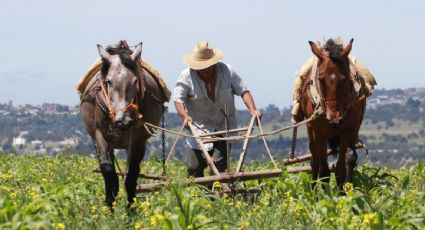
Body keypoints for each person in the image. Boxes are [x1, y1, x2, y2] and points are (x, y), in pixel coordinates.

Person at [173, 41, 261, 178]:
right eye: (202, 67)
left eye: (208, 66)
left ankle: (217, 195)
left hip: (223, 126)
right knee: (193, 168)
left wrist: (253, 110)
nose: (206, 69)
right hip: (197, 127)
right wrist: (185, 116)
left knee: (219, 166)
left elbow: (244, 91)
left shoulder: (227, 71)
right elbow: (178, 100)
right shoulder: (186, 76)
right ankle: (201, 196)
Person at [291, 37, 377, 124]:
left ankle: (365, 89)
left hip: (340, 54)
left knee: (363, 74)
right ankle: (297, 106)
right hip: (323, 51)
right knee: (301, 75)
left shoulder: (343, 52)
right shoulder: (322, 52)